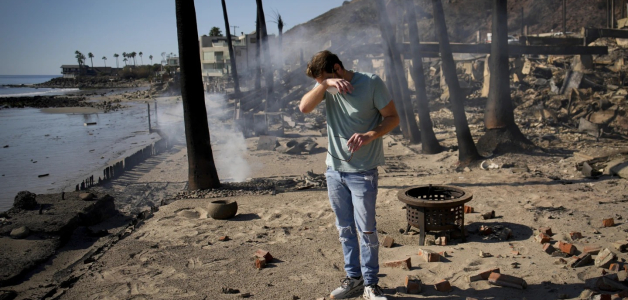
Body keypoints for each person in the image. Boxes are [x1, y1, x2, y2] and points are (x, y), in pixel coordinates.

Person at [299, 50, 399, 300]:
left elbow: (393, 118)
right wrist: (325, 84)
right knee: (344, 229)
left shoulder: (371, 83)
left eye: (322, 77)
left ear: (338, 68)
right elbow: (304, 107)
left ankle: (371, 285)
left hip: (363, 172)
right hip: (334, 171)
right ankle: (353, 280)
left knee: (366, 230)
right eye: (317, 81)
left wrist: (370, 135)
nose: (318, 84)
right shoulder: (326, 89)